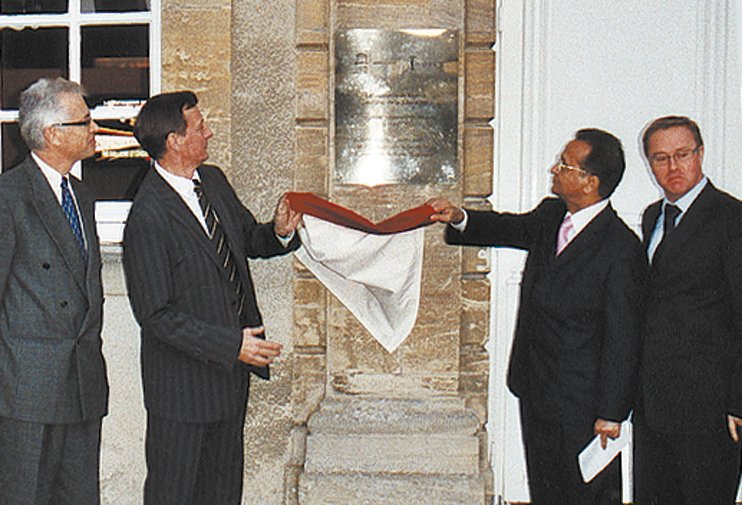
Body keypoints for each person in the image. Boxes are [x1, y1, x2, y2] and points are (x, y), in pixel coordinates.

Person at [429, 128, 646, 504]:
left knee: (587, 496)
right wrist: (460, 216)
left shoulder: (621, 247)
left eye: (564, 165)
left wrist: (612, 412)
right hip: (535, 387)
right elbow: (508, 227)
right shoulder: (551, 215)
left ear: (589, 181)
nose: (553, 170)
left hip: (584, 404)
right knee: (545, 491)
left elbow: (623, 337)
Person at [123, 90, 302, 505]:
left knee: (222, 495)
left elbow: (247, 239)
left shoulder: (214, 182)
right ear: (174, 141)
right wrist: (233, 345)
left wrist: (279, 232)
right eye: (200, 127)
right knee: (175, 495)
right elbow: (156, 314)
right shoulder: (147, 216)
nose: (210, 132)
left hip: (227, 382)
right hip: (182, 392)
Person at [0, 78, 108, 503]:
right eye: (85, 121)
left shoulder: (80, 195)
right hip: (26, 395)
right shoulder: (8, 197)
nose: (94, 128)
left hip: (83, 388)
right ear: (53, 134)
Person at [634, 115, 742, 504]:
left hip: (710, 411)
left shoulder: (733, 219)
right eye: (660, 159)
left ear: (700, 154)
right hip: (652, 405)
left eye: (682, 154)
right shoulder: (652, 217)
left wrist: (739, 402)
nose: (673, 167)